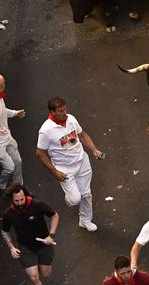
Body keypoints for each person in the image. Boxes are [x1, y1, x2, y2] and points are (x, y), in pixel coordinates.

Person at [36, 96, 104, 232]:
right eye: (60, 111)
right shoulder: (46, 130)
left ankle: (85, 221)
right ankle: (71, 197)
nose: (64, 113)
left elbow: (82, 135)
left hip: (82, 161)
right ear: (52, 112)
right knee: (75, 199)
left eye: (65, 109)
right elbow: (40, 154)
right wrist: (54, 171)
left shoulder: (71, 119)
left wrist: (94, 150)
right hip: (65, 169)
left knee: (86, 194)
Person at [0, 184, 59, 285]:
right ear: (12, 200)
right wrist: (11, 247)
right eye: (16, 201)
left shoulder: (37, 205)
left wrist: (51, 235)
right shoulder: (8, 214)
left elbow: (55, 216)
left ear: (25, 196)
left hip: (44, 244)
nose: (20, 203)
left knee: (46, 273)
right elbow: (4, 231)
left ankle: (37, 268)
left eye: (22, 199)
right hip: (26, 248)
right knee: (34, 277)